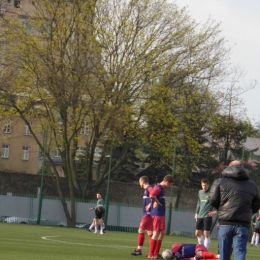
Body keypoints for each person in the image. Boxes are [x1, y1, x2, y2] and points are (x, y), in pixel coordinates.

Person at [210, 160, 260, 260]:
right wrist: (247, 212)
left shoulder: (219, 182)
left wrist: (222, 209)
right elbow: (256, 205)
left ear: (228, 168)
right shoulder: (253, 185)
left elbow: (213, 200)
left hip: (225, 223)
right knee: (240, 252)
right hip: (242, 224)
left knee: (223, 254)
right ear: (242, 168)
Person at [148, 174, 175, 259]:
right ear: (167, 182)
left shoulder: (161, 188)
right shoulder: (158, 187)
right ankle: (151, 254)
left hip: (161, 213)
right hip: (157, 214)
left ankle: (156, 253)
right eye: (170, 184)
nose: (170, 186)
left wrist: (153, 203)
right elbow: (152, 195)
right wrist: (157, 202)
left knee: (162, 233)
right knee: (156, 233)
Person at [131, 176, 154, 256]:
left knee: (141, 230)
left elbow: (154, 195)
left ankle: (139, 250)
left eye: (139, 182)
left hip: (148, 214)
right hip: (149, 214)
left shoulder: (148, 188)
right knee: (150, 232)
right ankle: (152, 251)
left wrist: (150, 205)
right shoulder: (146, 189)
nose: (139, 184)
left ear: (142, 182)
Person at [195, 178, 216, 249]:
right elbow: (199, 203)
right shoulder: (200, 192)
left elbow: (219, 203)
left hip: (207, 216)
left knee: (206, 234)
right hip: (200, 216)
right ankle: (201, 248)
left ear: (208, 185)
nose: (204, 187)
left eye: (205, 185)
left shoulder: (212, 193)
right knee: (197, 233)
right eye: (203, 185)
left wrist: (215, 211)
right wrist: (196, 213)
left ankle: (205, 251)